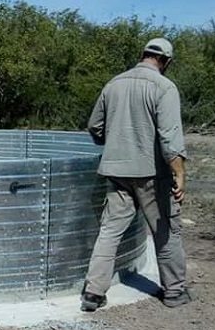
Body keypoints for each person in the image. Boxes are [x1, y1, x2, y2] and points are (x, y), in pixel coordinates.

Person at [81, 37, 191, 311]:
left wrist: (117, 142)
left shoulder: (113, 84)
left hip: (117, 172)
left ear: (144, 55)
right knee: (166, 232)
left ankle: (93, 294)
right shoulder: (164, 87)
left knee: (109, 232)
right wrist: (179, 173)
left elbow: (95, 127)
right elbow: (170, 138)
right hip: (153, 174)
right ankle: (175, 292)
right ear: (166, 61)